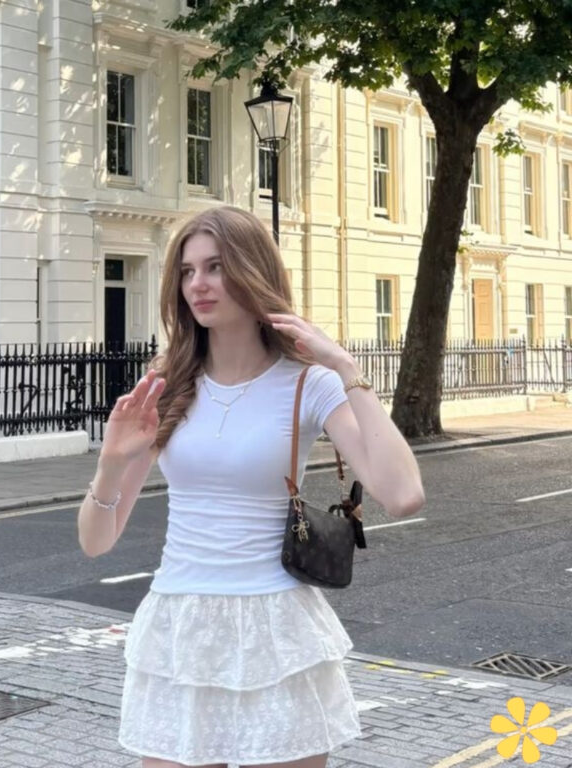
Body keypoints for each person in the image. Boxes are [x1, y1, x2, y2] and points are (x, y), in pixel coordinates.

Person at [77, 206, 425, 768]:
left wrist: (345, 368)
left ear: (251, 269)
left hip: (275, 627)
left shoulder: (309, 383)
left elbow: (404, 493)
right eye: (187, 271)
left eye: (215, 266)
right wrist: (112, 463)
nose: (198, 284)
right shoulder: (166, 383)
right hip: (180, 624)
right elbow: (96, 542)